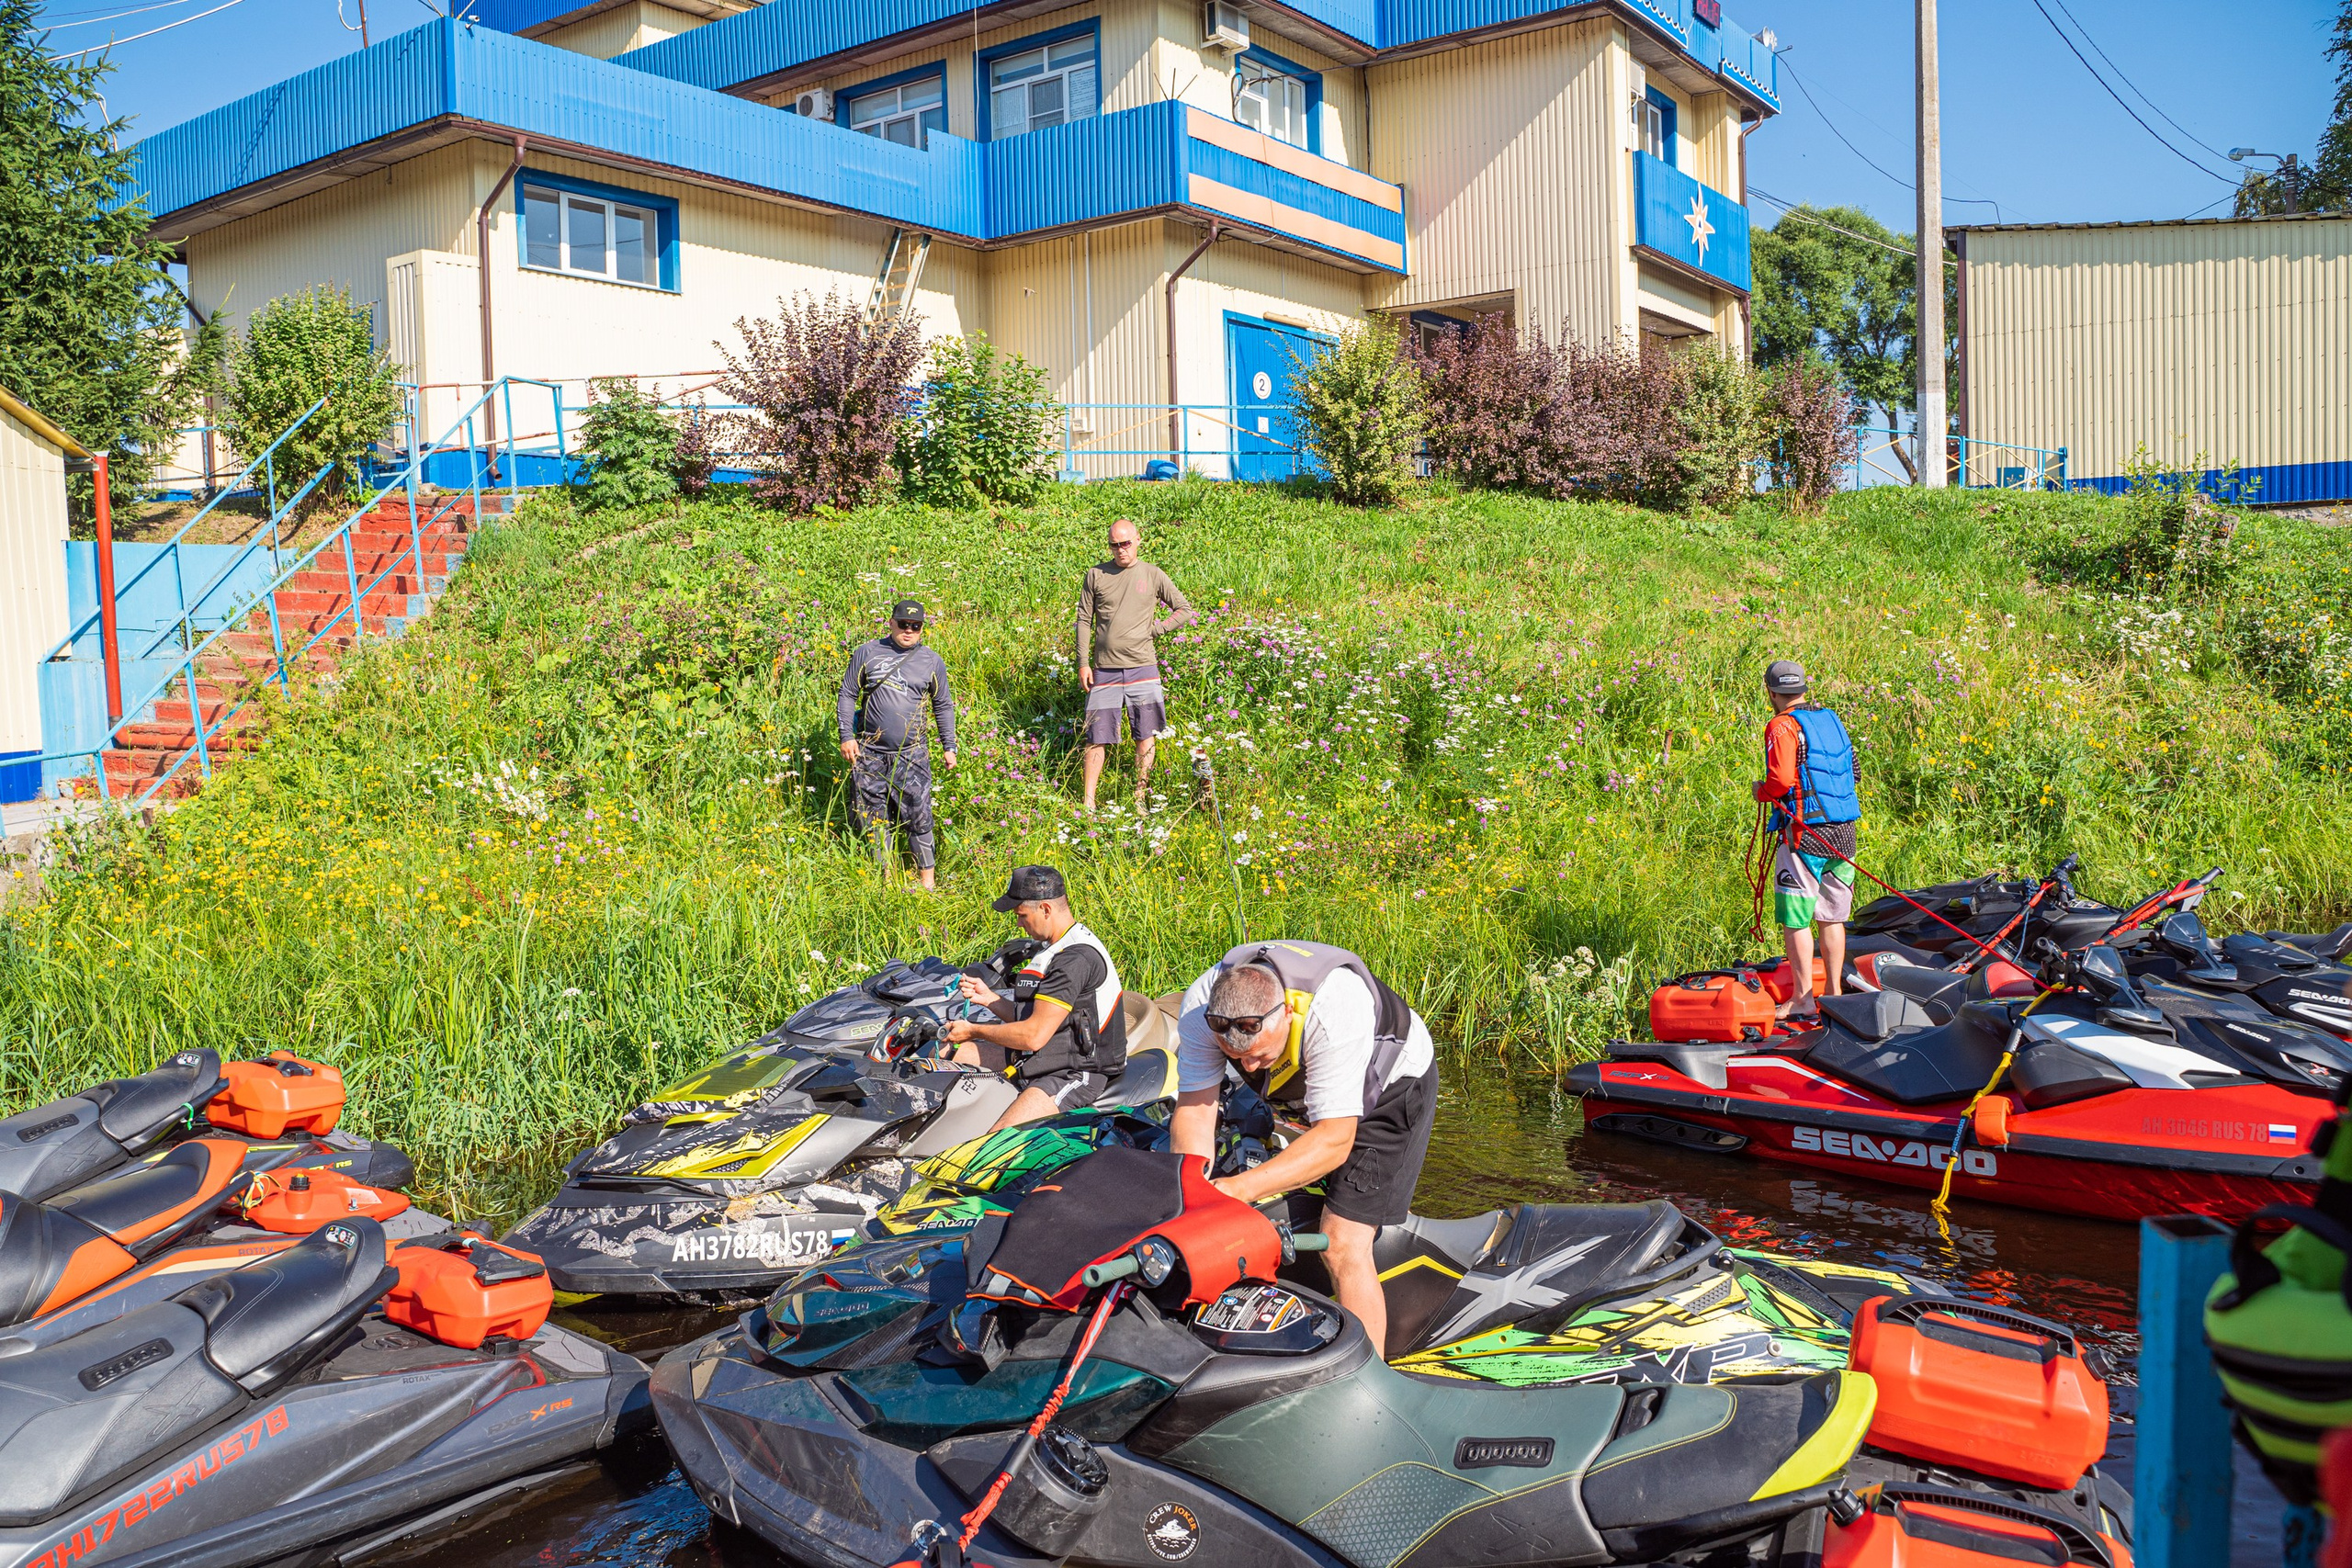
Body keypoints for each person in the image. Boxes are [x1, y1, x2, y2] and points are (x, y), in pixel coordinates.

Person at [1168, 941, 1437, 1358]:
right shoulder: (1201, 1006)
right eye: (1236, 1059)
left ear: (1287, 1013)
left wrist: (1236, 1191)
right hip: (1311, 1074)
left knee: (1343, 1240)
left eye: (1258, 1055)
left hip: (1391, 1085)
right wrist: (1191, 1189)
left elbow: (1334, 1141)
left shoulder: (1334, 1012)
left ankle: (1370, 1381)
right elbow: (1196, 1110)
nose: (1250, 1068)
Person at [941, 865, 1127, 1130]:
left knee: (995, 1145)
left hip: (1073, 1072)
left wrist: (973, 1031)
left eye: (1022, 915)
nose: (1019, 923)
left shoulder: (1074, 959)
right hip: (1042, 1056)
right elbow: (1033, 1017)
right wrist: (989, 999)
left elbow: (1033, 1035)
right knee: (945, 1053)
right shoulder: (1055, 947)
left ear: (1046, 910)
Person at [1754, 660, 1861, 1020]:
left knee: (1797, 918)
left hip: (1805, 836)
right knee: (1832, 917)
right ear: (1803, 688)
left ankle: (1802, 998)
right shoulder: (1831, 720)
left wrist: (1762, 792)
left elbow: (1781, 781)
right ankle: (1834, 995)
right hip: (1844, 834)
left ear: (1772, 692)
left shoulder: (1781, 726)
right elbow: (1854, 770)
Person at [1075, 519, 1195, 813]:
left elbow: (1184, 610)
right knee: (1096, 737)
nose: (1120, 550)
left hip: (1144, 667)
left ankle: (1140, 797)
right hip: (1104, 669)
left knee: (1145, 735)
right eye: (1114, 545)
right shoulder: (1096, 575)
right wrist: (1082, 663)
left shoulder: (1152, 574)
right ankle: (1088, 804)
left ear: (1138, 540)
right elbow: (1083, 620)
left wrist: (1154, 630)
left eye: (1125, 543)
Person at [837, 599, 956, 890]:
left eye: (915, 626)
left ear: (922, 629)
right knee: (873, 817)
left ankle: (927, 883)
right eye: (903, 624)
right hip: (870, 752)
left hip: (912, 753)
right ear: (891, 623)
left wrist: (949, 745)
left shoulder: (931, 661)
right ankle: (884, 880)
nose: (908, 631)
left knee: (919, 815)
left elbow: (943, 706)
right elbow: (847, 694)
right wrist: (846, 736)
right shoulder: (867, 652)